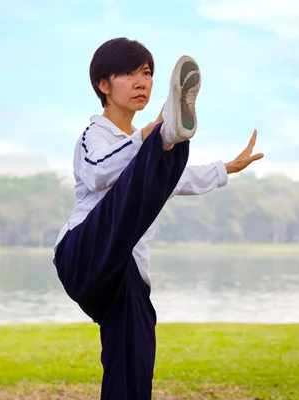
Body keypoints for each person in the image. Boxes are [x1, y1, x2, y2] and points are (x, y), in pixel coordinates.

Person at [52, 37, 263, 399]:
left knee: (134, 363)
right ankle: (169, 133)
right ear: (103, 85)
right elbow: (101, 173)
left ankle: (171, 134)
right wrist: (148, 134)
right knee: (140, 172)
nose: (141, 82)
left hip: (126, 273)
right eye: (128, 74)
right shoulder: (93, 136)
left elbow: (177, 179)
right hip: (84, 254)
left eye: (147, 73)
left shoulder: (144, 154)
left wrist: (228, 167)